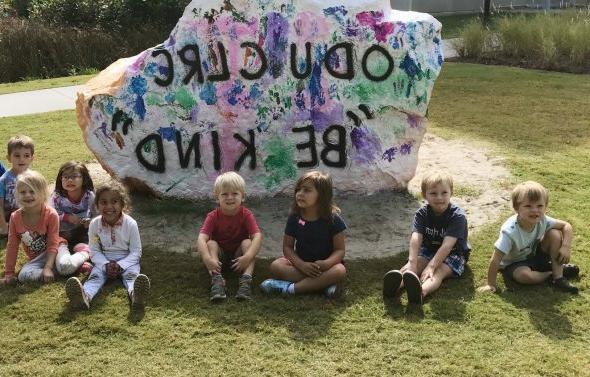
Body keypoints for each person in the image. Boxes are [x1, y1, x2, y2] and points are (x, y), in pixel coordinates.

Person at [383, 171, 470, 305]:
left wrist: (431, 266)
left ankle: (420, 292)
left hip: (454, 254)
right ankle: (395, 285)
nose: (439, 197)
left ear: (451, 193)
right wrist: (411, 262)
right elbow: (416, 238)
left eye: (444, 193)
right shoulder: (422, 213)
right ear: (425, 195)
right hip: (429, 249)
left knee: (437, 271)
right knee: (413, 266)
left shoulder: (457, 217)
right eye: (433, 193)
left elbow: (447, 246)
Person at [478, 181, 579, 294]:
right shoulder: (510, 232)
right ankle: (551, 274)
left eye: (539, 206)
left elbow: (566, 226)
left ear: (545, 206)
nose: (535, 210)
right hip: (515, 263)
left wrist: (565, 246)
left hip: (535, 255)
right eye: (528, 206)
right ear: (517, 208)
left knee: (554, 234)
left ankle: (558, 278)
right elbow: (495, 259)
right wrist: (491, 284)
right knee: (524, 276)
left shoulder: (543, 220)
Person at [65, 180, 151, 311]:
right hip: (103, 260)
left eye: (114, 202)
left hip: (128, 261)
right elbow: (93, 250)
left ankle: (136, 296)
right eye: (103, 202)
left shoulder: (131, 224)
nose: (109, 206)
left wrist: (121, 265)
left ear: (122, 204)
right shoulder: (94, 224)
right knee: (95, 277)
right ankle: (84, 297)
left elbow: (136, 252)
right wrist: (105, 264)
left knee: (132, 276)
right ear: (97, 205)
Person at [260, 170, 347, 298]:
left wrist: (326, 264)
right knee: (276, 266)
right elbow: (287, 247)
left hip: (325, 267)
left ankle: (291, 289)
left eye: (307, 190)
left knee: (340, 271)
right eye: (298, 190)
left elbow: (340, 250)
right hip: (300, 265)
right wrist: (301, 265)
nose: (300, 194)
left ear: (322, 195)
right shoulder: (294, 218)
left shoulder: (333, 219)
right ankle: (322, 285)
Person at [197, 172, 262, 301]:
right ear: (217, 198)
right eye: (224, 194)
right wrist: (207, 259)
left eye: (235, 193)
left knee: (247, 243)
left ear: (243, 197)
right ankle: (217, 280)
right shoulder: (213, 216)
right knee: (211, 243)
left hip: (239, 257)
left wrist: (247, 257)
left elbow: (258, 236)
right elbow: (201, 238)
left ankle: (246, 280)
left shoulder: (246, 215)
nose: (230, 197)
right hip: (219, 258)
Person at [0, 170, 62, 285]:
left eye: (32, 191)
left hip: (56, 250)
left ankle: (82, 254)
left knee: (65, 264)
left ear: (42, 193)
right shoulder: (15, 217)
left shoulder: (51, 214)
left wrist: (48, 267)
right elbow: (12, 246)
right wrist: (9, 274)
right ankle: (56, 272)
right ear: (17, 195)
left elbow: (53, 243)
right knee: (23, 276)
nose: (27, 195)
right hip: (37, 259)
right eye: (23, 192)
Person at [50, 161, 95, 276]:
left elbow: (97, 214)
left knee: (94, 239)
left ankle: (83, 260)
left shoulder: (89, 196)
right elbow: (50, 214)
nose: (69, 180)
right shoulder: (57, 197)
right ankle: (76, 255)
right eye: (65, 177)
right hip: (64, 232)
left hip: (83, 231)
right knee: (58, 240)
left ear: (84, 179)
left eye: (74, 176)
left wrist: (90, 222)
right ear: (60, 179)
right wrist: (66, 217)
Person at [0, 135, 35, 236]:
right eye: (17, 155)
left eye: (26, 155)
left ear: (32, 158)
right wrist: (3, 226)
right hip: (8, 216)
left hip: (28, 214)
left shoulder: (34, 178)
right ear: (9, 158)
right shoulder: (3, 180)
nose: (21, 159)